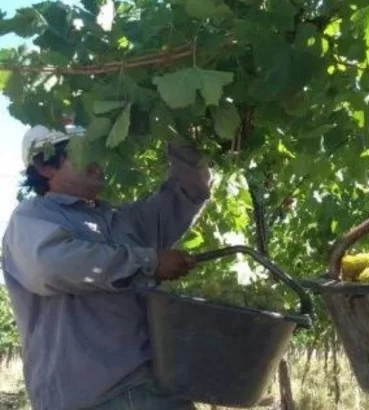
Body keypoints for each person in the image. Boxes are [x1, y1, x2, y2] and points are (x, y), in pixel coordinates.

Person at [2, 125, 212, 409]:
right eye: (84, 151)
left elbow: (189, 192)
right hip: (90, 401)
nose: (98, 161)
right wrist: (149, 262)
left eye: (101, 151)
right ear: (45, 167)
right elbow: (52, 266)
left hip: (160, 390)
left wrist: (180, 127)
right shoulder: (33, 216)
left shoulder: (124, 220)